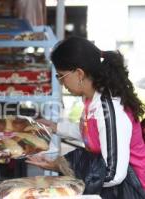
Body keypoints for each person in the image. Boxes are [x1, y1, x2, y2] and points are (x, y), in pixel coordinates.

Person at [26, 37, 145, 198]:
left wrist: (68, 181)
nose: (61, 83)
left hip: (132, 189)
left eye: (61, 76)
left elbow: (114, 174)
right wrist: (55, 128)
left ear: (79, 73)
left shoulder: (109, 110)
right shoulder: (91, 99)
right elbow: (92, 133)